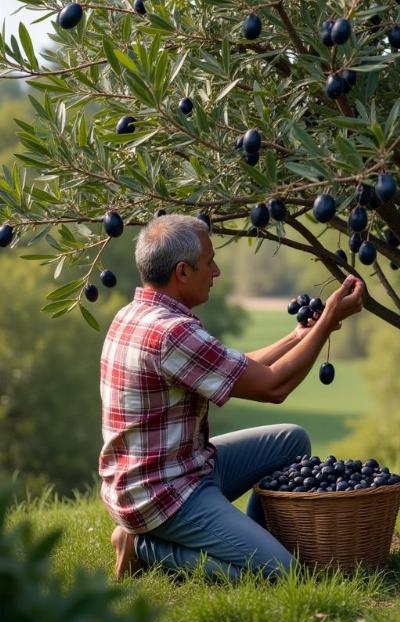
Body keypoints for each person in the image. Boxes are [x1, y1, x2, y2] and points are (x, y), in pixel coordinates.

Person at [99, 213, 365, 581]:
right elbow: (273, 387)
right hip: (165, 496)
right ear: (182, 272)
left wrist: (298, 337)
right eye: (209, 262)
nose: (217, 271)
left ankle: (256, 540)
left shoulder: (134, 315)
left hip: (168, 471)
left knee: (291, 441)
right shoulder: (172, 332)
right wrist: (327, 321)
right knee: (282, 575)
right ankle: (145, 549)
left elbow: (234, 369)